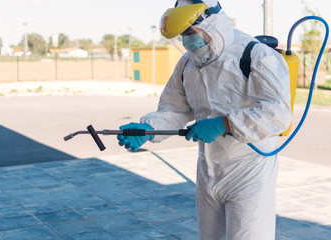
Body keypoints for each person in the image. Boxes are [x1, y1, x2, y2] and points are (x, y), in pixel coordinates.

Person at [117, 0, 292, 239]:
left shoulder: (254, 54)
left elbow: (278, 113)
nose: (187, 40)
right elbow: (175, 109)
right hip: (208, 169)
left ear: (211, 22)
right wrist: (148, 129)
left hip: (250, 169)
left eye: (191, 32)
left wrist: (225, 123)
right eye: (183, 35)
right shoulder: (187, 63)